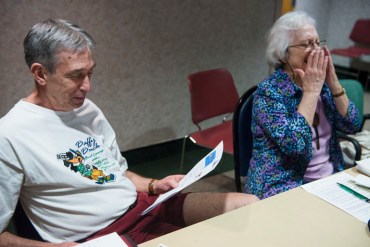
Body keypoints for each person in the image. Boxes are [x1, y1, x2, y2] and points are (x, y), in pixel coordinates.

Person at [0, 19, 259, 247]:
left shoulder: (87, 110)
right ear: (40, 73)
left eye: (90, 73)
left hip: (144, 205)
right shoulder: (11, 134)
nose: (88, 86)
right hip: (102, 236)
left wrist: (154, 185)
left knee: (249, 206)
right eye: (76, 76)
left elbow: (118, 172)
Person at [245, 11, 361, 199]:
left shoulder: (322, 85)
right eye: (307, 44)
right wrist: (311, 92)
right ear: (283, 54)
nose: (316, 50)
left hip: (330, 177)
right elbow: (295, 145)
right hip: (283, 184)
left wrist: (333, 82)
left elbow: (352, 124)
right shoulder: (269, 93)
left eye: (317, 42)